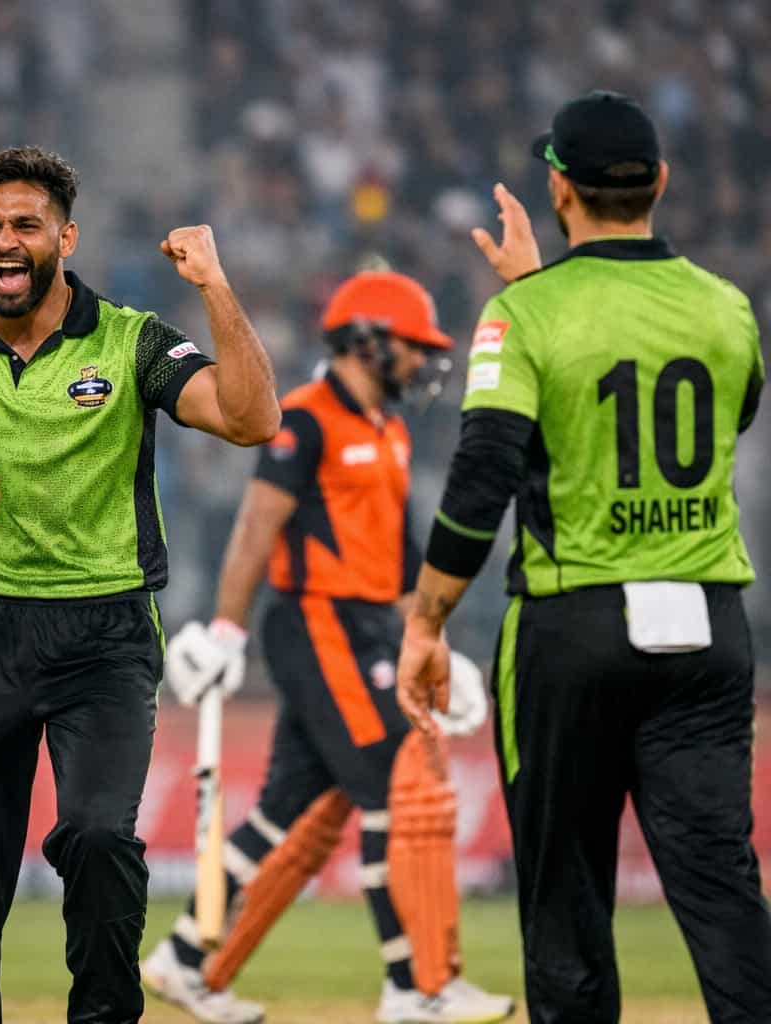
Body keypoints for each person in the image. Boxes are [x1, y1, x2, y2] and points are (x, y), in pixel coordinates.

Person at [0, 145, 282, 1024]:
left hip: (106, 635)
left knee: (97, 838)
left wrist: (215, 287)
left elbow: (252, 418)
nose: (5, 241)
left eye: (25, 225)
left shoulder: (133, 341)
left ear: (64, 239)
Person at [397, 90, 771, 1024]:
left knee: (565, 904)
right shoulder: (726, 308)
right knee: (723, 889)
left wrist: (427, 620)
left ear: (558, 188)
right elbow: (740, 411)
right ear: (662, 184)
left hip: (575, 628)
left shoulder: (525, 315)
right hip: (708, 631)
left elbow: (482, 478)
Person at [142, 270, 515, 1024]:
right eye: (412, 347)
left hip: (370, 628)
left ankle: (180, 960)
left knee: (284, 807)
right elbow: (255, 528)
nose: (419, 363)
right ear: (369, 338)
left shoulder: (391, 430)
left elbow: (405, 559)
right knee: (387, 780)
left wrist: (434, 645)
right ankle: (411, 986)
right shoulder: (306, 419)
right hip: (317, 624)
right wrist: (226, 627)